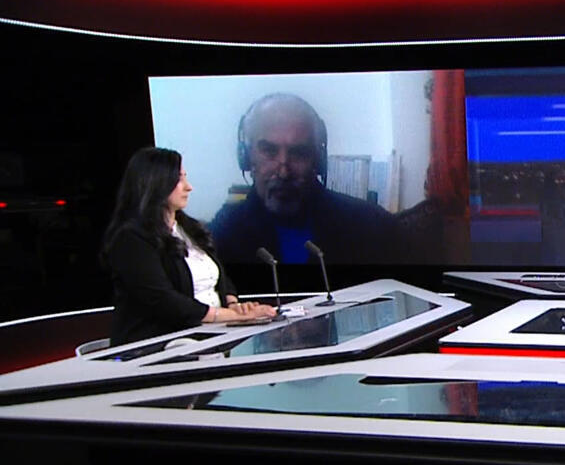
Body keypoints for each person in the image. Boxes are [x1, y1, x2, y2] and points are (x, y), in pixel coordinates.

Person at [102, 147, 276, 346]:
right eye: (179, 179)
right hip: (158, 346)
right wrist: (230, 316)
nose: (188, 187)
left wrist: (234, 304)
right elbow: (162, 300)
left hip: (209, 337)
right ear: (156, 182)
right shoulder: (131, 238)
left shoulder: (191, 229)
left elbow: (218, 276)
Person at [210, 92, 401, 264]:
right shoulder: (225, 231)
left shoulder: (372, 226)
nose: (284, 172)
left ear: (318, 159)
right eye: (269, 151)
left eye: (298, 153)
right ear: (245, 157)